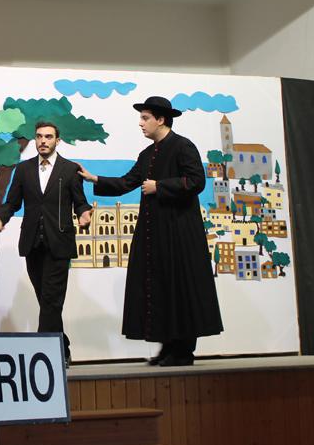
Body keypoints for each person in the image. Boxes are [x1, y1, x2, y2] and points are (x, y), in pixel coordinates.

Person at [77, 96, 223, 366]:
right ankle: (168, 346)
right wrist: (94, 178)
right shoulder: (147, 154)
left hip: (178, 231)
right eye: (141, 118)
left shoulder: (182, 146)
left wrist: (160, 186)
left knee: (179, 286)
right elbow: (127, 182)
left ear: (161, 119)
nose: (141, 124)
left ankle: (183, 351)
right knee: (160, 287)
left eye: (145, 118)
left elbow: (196, 181)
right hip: (155, 234)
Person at [0, 122, 92, 363]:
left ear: (58, 140)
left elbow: (80, 201)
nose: (43, 141)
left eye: (48, 137)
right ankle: (62, 345)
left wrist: (84, 213)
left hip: (60, 243)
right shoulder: (23, 170)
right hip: (32, 243)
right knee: (47, 300)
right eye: (39, 137)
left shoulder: (69, 169)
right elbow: (12, 202)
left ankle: (47, 354)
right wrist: (2, 218)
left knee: (52, 300)